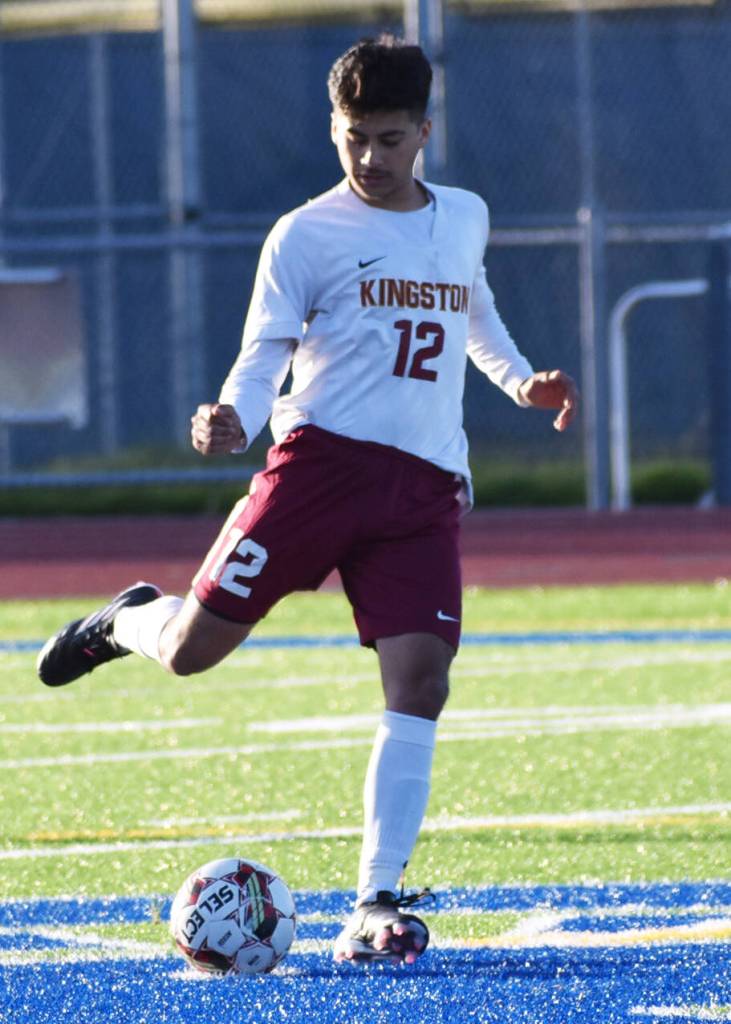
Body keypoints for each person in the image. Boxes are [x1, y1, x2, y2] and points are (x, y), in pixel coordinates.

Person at [37, 36, 578, 966]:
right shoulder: (306, 232)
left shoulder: (464, 217)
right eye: (353, 136)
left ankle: (374, 902)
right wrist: (233, 417)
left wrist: (522, 383)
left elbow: (472, 308)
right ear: (334, 129)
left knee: (421, 682)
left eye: (390, 138)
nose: (370, 157)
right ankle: (129, 620)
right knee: (190, 653)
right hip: (316, 470)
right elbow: (263, 348)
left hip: (422, 489)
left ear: (425, 133)